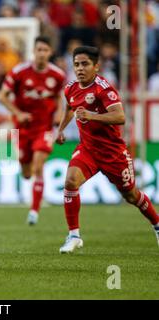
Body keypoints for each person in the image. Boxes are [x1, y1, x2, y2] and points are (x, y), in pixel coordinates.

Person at [56, 46, 159, 253]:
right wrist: (60, 129)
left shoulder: (104, 90)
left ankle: (157, 225)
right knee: (70, 181)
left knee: (131, 196)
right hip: (88, 150)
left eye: (85, 64)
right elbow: (69, 106)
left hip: (113, 153)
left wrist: (92, 116)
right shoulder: (71, 88)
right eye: (76, 64)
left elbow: (120, 116)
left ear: (96, 66)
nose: (79, 69)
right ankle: (74, 235)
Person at [0, 36, 65, 225]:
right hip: (23, 128)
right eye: (39, 50)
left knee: (38, 166)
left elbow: (60, 97)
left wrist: (59, 114)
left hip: (43, 127)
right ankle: (33, 197)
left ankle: (34, 211)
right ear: (33, 52)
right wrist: (18, 113)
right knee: (27, 171)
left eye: (45, 50)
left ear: (50, 52)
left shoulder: (58, 75)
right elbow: (3, 96)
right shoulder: (19, 72)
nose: (42, 53)